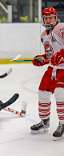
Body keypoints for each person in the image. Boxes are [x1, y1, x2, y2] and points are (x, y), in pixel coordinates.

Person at [30, 7, 64, 140]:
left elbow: (60, 54)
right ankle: (45, 121)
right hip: (52, 68)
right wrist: (42, 59)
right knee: (43, 92)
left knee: (60, 93)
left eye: (51, 17)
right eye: (46, 18)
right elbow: (50, 55)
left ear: (56, 18)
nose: (49, 20)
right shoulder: (44, 35)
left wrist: (62, 55)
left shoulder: (61, 28)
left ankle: (62, 123)